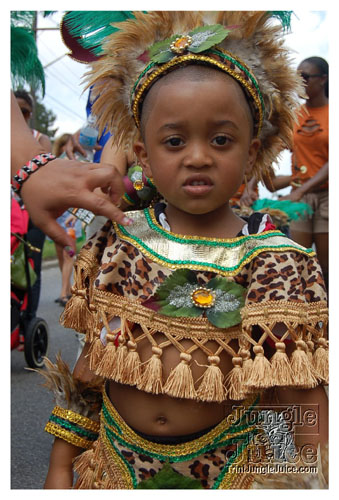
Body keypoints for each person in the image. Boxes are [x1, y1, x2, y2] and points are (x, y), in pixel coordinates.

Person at [40, 12, 328, 490]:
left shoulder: (276, 260)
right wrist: (61, 464)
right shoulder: (121, 240)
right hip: (115, 467)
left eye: (220, 139)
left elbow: (289, 391)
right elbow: (92, 365)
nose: (198, 155)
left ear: (252, 153)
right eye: (175, 141)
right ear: (144, 154)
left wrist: (292, 479)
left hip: (234, 470)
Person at [263, 57, 329, 289]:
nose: (300, 82)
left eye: (306, 77)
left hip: (327, 197)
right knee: (300, 264)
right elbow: (271, 150)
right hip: (300, 198)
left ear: (323, 80)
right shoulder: (295, 116)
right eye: (297, 76)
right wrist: (253, 181)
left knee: (326, 267)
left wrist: (300, 189)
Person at [14, 90, 53, 316]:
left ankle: (29, 320)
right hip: (10, 216)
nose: (20, 115)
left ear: (30, 114)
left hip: (32, 216)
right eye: (15, 112)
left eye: (25, 112)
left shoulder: (41, 140)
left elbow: (41, 177)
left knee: (32, 268)